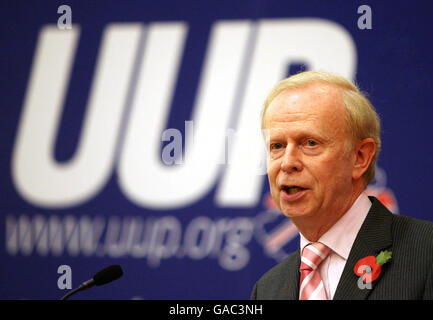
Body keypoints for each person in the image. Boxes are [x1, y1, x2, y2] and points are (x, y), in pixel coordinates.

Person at [250, 71, 433, 300]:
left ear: (359, 157)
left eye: (310, 143)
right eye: (277, 146)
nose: (287, 163)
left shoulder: (426, 254)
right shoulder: (267, 290)